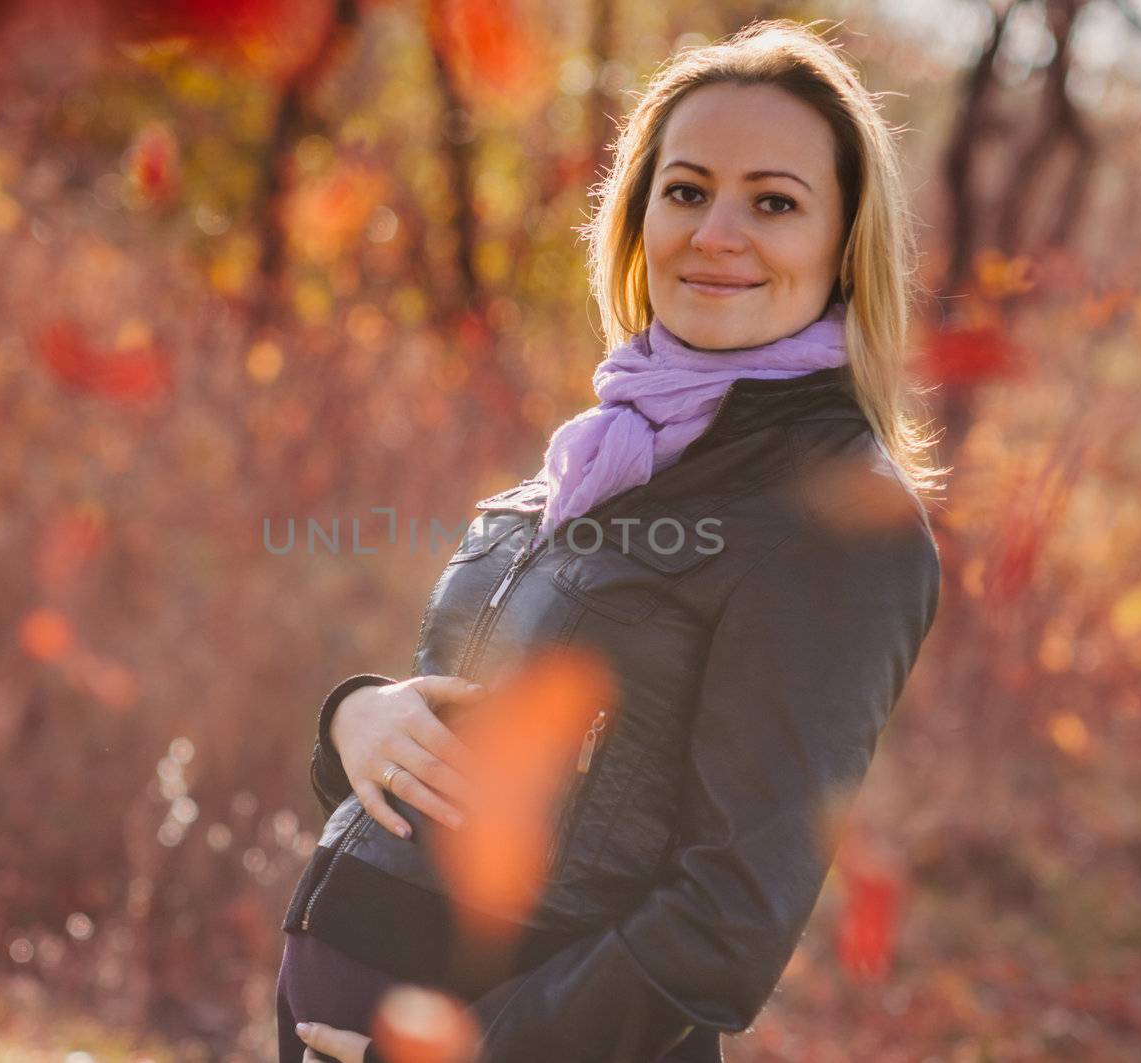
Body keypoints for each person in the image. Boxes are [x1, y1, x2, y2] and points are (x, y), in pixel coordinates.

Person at [278, 17, 946, 1063]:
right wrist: (355, 721)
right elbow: (496, 751)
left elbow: (728, 919)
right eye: (685, 190)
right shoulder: (608, 451)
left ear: (843, 243)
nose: (715, 231)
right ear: (636, 215)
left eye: (773, 202)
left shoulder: (832, 517)